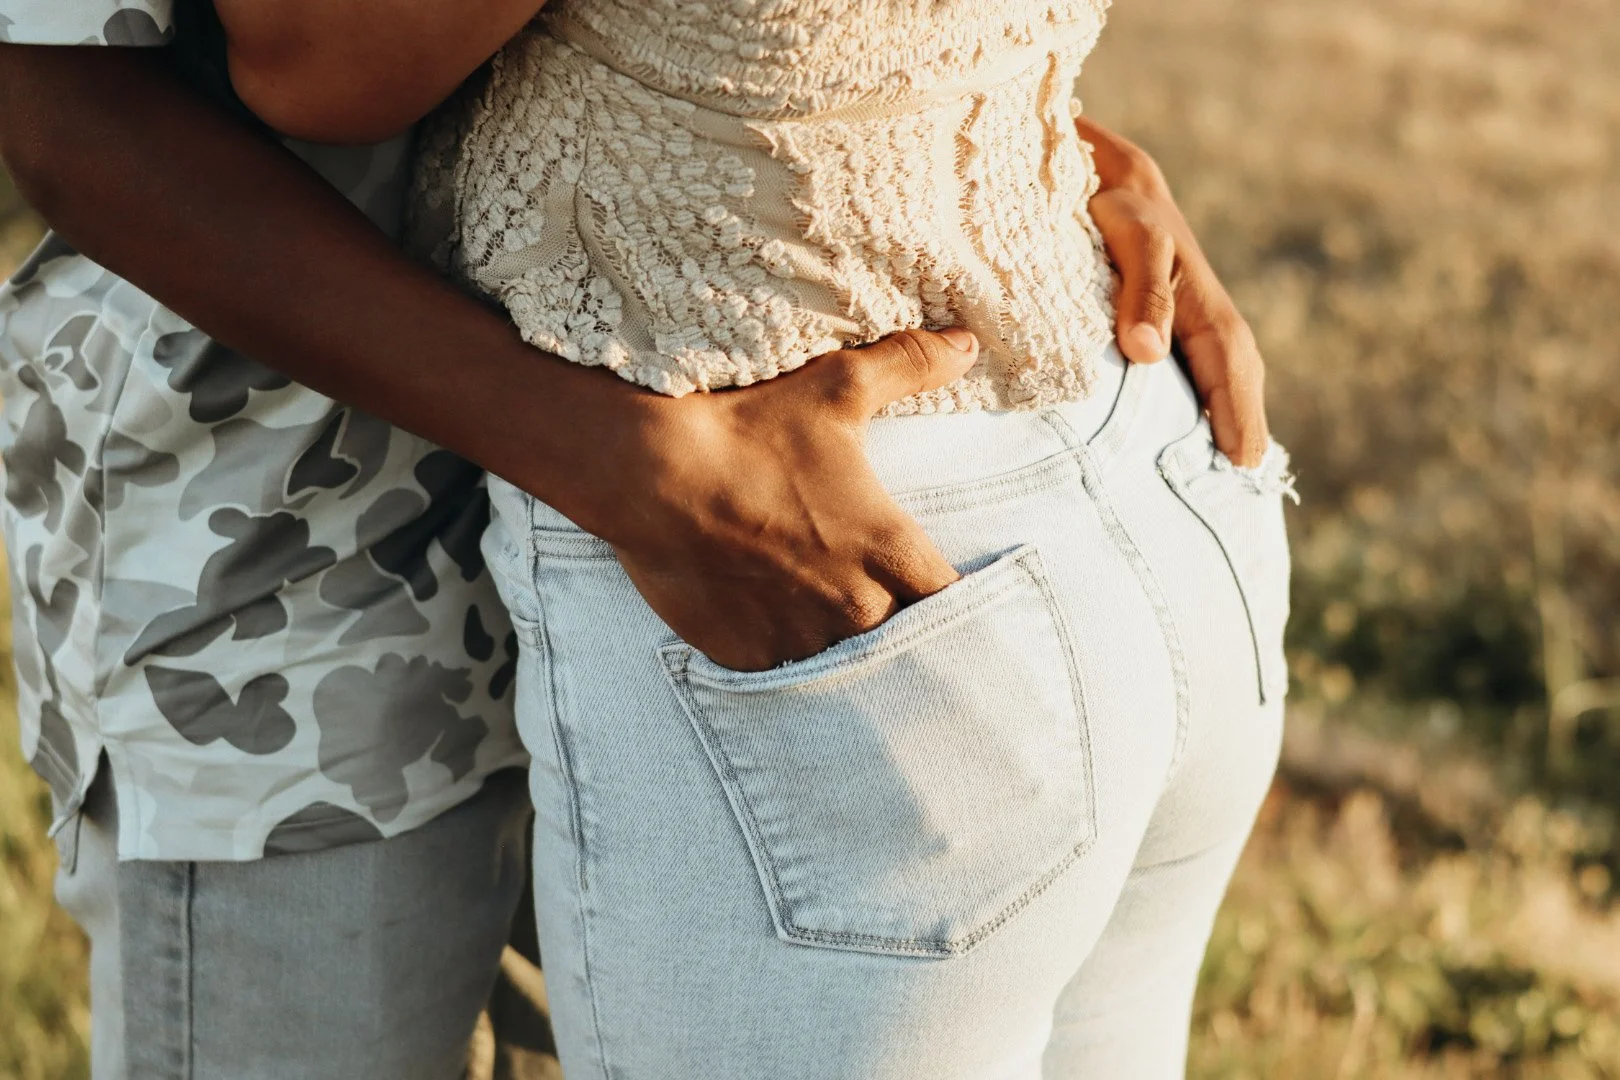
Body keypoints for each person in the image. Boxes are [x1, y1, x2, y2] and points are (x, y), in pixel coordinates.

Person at [0, 2, 1283, 1078]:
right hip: (308, 568)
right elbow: (59, 92)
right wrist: (604, 455)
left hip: (737, 516)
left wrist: (1015, 143)